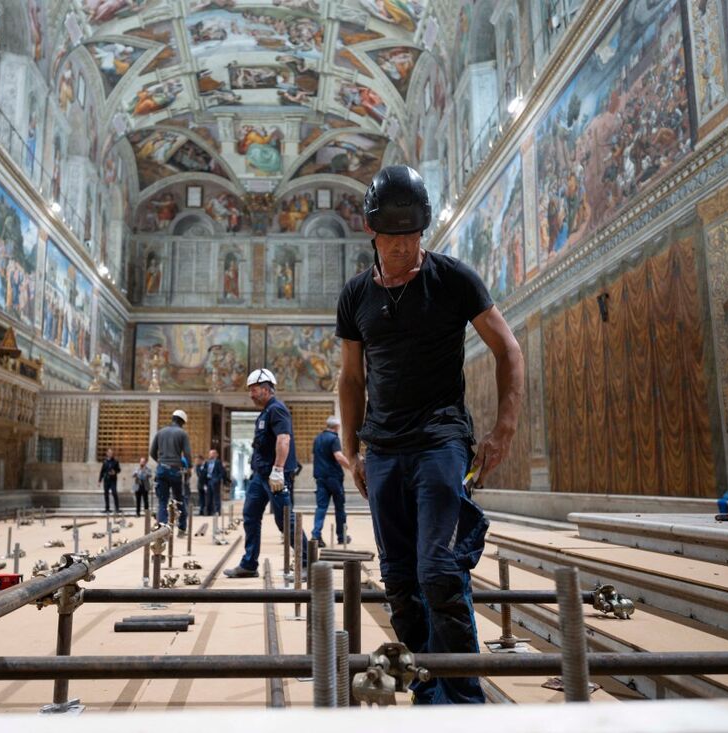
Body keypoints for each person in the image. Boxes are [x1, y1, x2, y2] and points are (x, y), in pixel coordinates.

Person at [336, 165, 524, 705]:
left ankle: (462, 701)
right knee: (399, 580)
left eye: (413, 235)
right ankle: (427, 683)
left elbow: (508, 349)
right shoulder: (355, 295)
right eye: (392, 237)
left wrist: (504, 428)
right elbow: (351, 378)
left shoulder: (453, 279)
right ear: (371, 231)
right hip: (383, 450)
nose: (404, 246)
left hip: (441, 441)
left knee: (439, 570)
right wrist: (352, 452)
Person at [223, 368, 307, 579]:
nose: (250, 395)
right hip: (259, 476)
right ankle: (249, 564)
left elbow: (283, 439)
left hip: (275, 476)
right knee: (250, 515)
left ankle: (308, 564)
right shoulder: (265, 412)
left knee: (284, 520)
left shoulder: (277, 409)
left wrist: (278, 470)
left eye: (254, 390)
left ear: (266, 389)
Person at [310, 416, 351, 548]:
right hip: (333, 478)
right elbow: (338, 456)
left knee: (321, 507)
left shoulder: (317, 438)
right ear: (337, 427)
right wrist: (352, 467)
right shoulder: (334, 439)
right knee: (339, 508)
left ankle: (316, 535)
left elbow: (314, 457)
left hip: (320, 477)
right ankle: (341, 536)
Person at [150, 408, 192, 536]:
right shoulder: (182, 433)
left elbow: (152, 452)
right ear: (182, 422)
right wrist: (189, 467)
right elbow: (187, 453)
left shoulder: (160, 432)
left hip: (161, 470)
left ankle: (162, 529)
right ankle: (182, 528)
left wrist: (161, 462)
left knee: (162, 501)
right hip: (175, 470)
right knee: (179, 499)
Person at [204, 448, 225, 516]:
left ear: (216, 454)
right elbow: (204, 472)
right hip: (208, 481)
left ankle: (217, 511)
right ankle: (209, 511)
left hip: (215, 481)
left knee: (216, 497)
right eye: (210, 453)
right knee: (208, 497)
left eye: (213, 453)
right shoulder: (207, 462)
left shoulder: (218, 462)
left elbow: (222, 472)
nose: (211, 455)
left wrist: (217, 479)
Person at [101, 448, 121, 514]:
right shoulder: (105, 461)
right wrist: (99, 480)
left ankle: (117, 508)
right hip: (106, 480)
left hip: (113, 480)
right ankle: (107, 508)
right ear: (107, 453)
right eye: (109, 453)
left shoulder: (115, 461)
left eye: (111, 453)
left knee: (114, 493)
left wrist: (115, 472)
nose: (110, 454)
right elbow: (102, 471)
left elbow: (119, 470)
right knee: (106, 494)